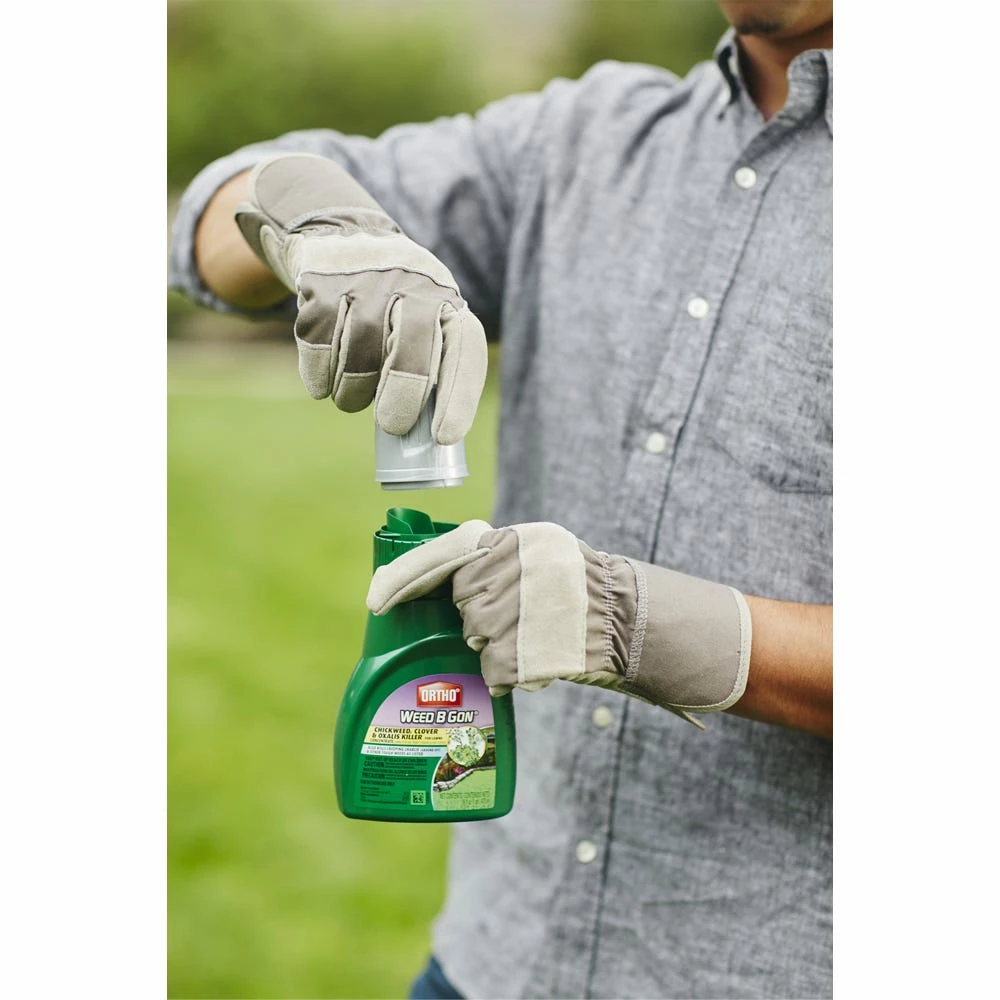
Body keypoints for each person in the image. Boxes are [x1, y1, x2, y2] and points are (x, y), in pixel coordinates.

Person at [169, 1, 834, 996]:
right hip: (496, 955)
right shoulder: (578, 142)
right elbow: (212, 220)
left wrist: (641, 624)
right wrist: (312, 218)